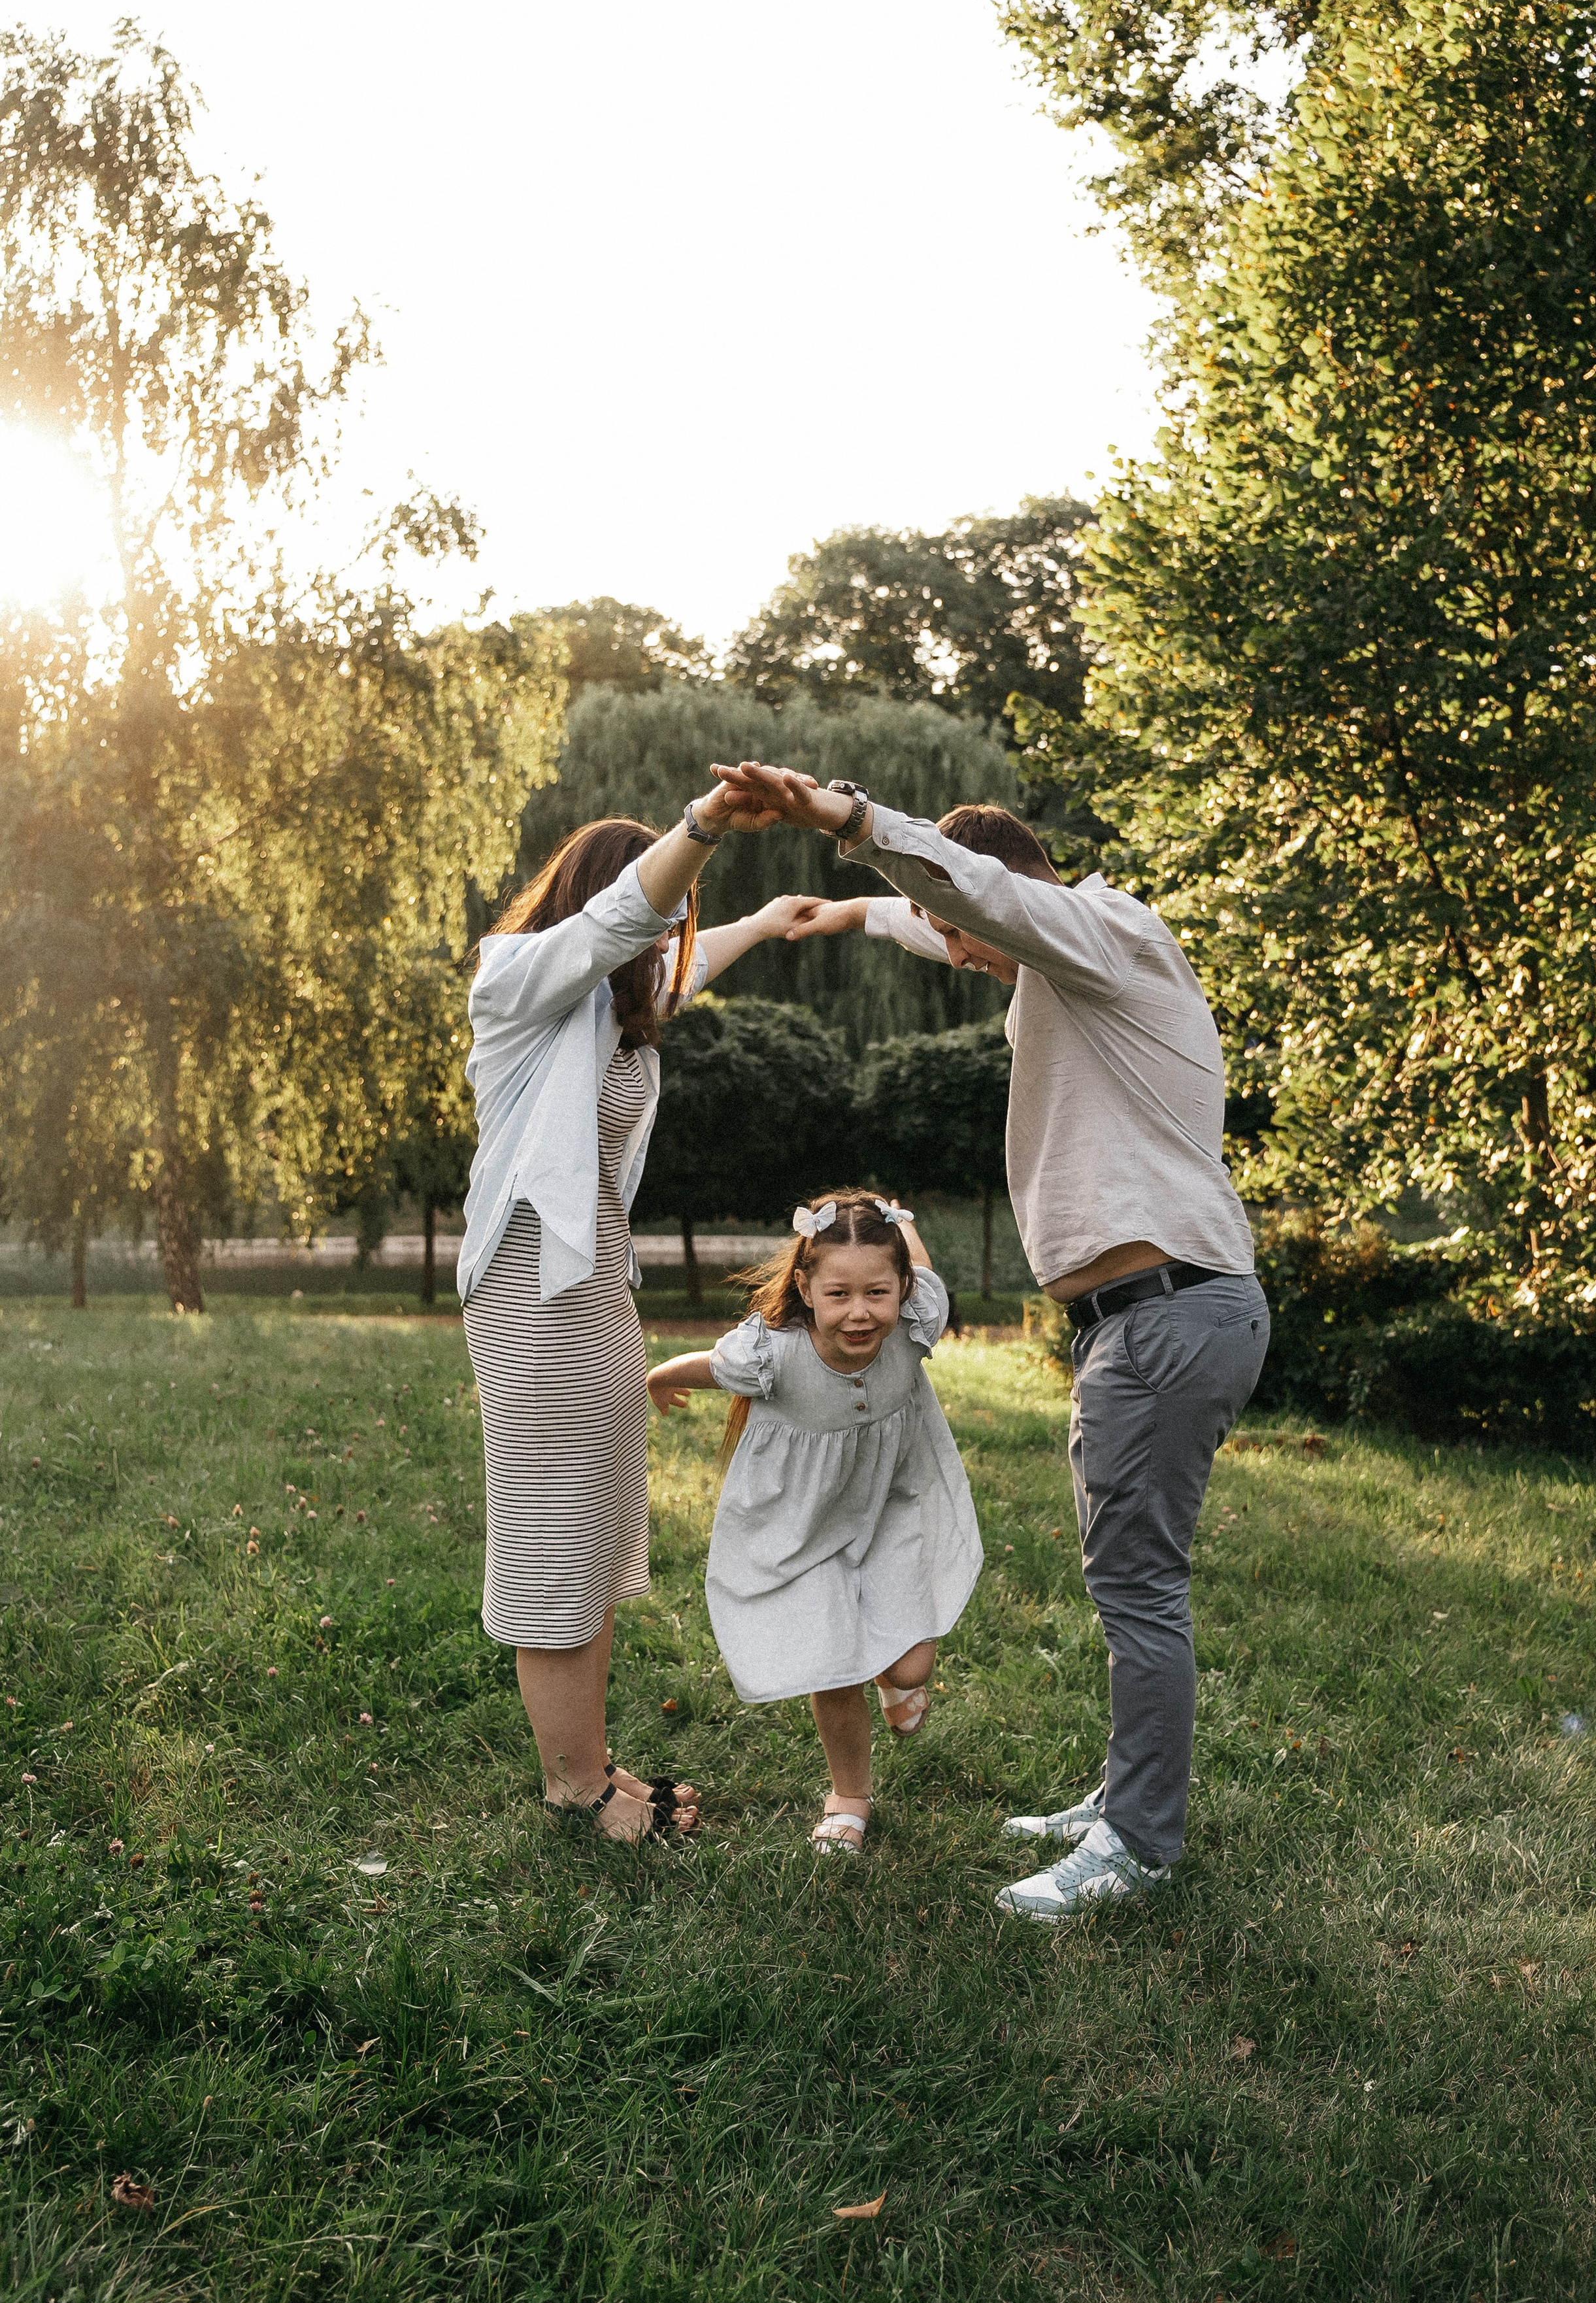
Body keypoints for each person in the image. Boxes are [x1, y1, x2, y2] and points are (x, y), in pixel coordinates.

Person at [714, 763, 1269, 1917]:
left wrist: (849, 824)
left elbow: (978, 902)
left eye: (967, 931)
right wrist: (852, 913)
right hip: (1147, 1319)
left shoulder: (1104, 930)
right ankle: (1127, 1789)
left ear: (1008, 890)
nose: (960, 956)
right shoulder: (1064, 967)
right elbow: (953, 918)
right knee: (1127, 1582)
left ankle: (1140, 1845)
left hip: (1168, 1313)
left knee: (1140, 1591)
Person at [458, 779, 816, 1844]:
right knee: (553, 1534)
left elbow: (669, 960)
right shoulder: (518, 979)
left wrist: (763, 920)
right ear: (604, 901)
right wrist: (703, 831)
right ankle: (575, 1791)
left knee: (600, 1532)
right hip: (532, 1293)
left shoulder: (613, 1004)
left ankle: (592, 1761)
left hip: (597, 1293)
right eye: (656, 910)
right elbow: (629, 921)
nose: (667, 939)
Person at [646, 1192, 983, 1853]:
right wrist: (659, 1377)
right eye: (838, 1294)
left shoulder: (916, 1322)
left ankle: (895, 1683)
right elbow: (708, 1367)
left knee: (912, 1667)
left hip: (892, 1508)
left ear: (901, 1289)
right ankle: (848, 1800)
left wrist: (902, 1222)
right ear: (805, 1286)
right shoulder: (771, 1352)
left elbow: (922, 1268)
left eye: (876, 1293)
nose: (860, 1312)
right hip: (800, 1530)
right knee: (835, 1665)